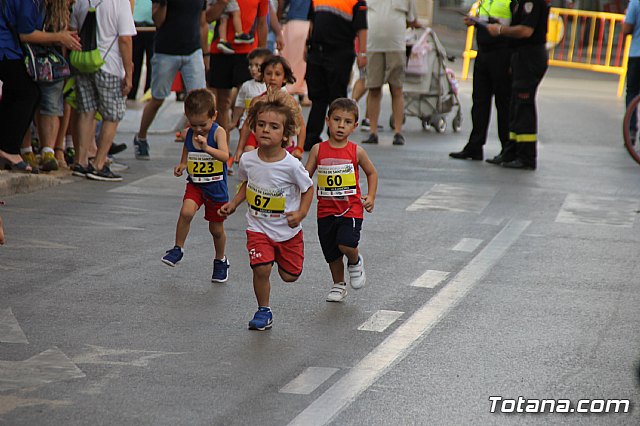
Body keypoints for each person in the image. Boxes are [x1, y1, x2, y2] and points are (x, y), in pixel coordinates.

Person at [218, 90, 314, 331]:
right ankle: (263, 310)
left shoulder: (291, 165)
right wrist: (234, 203)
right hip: (257, 227)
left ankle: (285, 257)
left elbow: (308, 188)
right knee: (261, 269)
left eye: (273, 127)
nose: (265, 130)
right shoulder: (249, 160)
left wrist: (301, 213)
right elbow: (246, 185)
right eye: (261, 125)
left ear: (285, 135)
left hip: (287, 231)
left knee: (289, 276)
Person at [305, 98, 377, 302]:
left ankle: (354, 261)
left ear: (354, 126)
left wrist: (370, 196)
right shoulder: (319, 150)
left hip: (350, 209)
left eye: (346, 122)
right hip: (326, 210)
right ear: (328, 120)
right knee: (332, 252)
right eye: (337, 120)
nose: (340, 125)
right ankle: (338, 284)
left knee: (346, 244)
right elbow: (306, 175)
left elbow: (372, 173)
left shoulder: (356, 151)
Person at [161, 89, 231, 282]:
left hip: (216, 188)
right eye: (194, 124)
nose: (199, 129)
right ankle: (178, 248)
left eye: (203, 125)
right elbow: (187, 146)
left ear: (214, 116)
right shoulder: (190, 132)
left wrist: (207, 148)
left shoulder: (218, 132)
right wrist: (183, 163)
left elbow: (225, 156)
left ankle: (220, 260)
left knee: (216, 230)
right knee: (186, 212)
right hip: (196, 184)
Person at [0, 0, 77, 173]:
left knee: (15, 92)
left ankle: (6, 146)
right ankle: (10, 148)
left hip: (9, 48)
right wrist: (59, 37)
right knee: (28, 93)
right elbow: (25, 34)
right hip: (6, 48)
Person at [132, 0, 210, 161]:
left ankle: (202, 143)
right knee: (157, 99)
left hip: (193, 51)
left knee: (201, 100)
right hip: (166, 52)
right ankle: (141, 136)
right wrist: (163, 4)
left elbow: (203, 23)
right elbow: (158, 21)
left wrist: (206, 53)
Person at [70, 0, 136, 181]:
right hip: (109, 65)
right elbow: (125, 39)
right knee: (112, 115)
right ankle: (98, 164)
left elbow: (73, 30)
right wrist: (128, 73)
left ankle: (81, 162)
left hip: (83, 63)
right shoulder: (119, 3)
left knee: (86, 112)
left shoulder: (80, 2)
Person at [20, 0, 82, 173]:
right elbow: (25, 33)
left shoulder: (62, 8)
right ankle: (27, 150)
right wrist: (59, 37)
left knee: (52, 105)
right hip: (27, 57)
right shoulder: (32, 4)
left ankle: (48, 150)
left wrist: (65, 37)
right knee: (29, 103)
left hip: (53, 61)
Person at [485, 0, 549, 170]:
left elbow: (526, 31)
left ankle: (526, 157)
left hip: (530, 55)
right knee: (514, 106)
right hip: (520, 55)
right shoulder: (518, 2)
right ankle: (511, 150)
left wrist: (500, 30)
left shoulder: (532, 2)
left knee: (523, 106)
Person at [449, 0, 512, 162]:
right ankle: (475, 147)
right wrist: (475, 22)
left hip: (502, 53)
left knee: (503, 103)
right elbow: (486, 20)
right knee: (479, 103)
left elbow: (514, 26)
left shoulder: (511, 1)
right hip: (483, 52)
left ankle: (507, 148)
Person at [303, 0, 367, 151]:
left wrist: (362, 53)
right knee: (317, 97)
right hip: (317, 52)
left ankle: (336, 138)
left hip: (340, 53)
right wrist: (307, 43)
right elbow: (313, 21)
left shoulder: (357, 1)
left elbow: (362, 28)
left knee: (337, 98)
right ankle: (311, 138)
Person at [207, 0, 269, 146]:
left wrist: (264, 56)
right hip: (221, 50)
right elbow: (208, 18)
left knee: (254, 100)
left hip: (248, 51)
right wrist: (222, 3)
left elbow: (262, 23)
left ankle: (251, 146)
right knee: (222, 103)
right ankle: (224, 147)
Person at [362, 0, 420, 146]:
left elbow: (412, 19)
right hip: (373, 46)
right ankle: (372, 131)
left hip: (396, 46)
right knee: (374, 88)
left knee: (397, 88)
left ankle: (398, 132)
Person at [233, 55, 306, 160]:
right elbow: (247, 125)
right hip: (259, 144)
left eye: (277, 74)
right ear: (263, 76)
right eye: (268, 74)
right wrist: (240, 149)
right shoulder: (257, 101)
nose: (272, 78)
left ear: (284, 77)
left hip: (284, 145)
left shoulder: (290, 102)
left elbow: (301, 126)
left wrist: (299, 149)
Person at [280, 0, 311, 105]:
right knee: (304, 61)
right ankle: (305, 93)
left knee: (290, 59)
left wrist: (279, 17)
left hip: (292, 21)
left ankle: (290, 89)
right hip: (308, 22)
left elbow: (282, 3)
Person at [129, 0, 154, 100]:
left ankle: (149, 93)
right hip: (135, 25)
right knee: (135, 60)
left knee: (152, 62)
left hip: (152, 25)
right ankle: (131, 92)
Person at [624, 2, 640, 145]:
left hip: (636, 54)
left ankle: (631, 130)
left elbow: (627, 28)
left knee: (632, 92)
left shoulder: (635, 2)